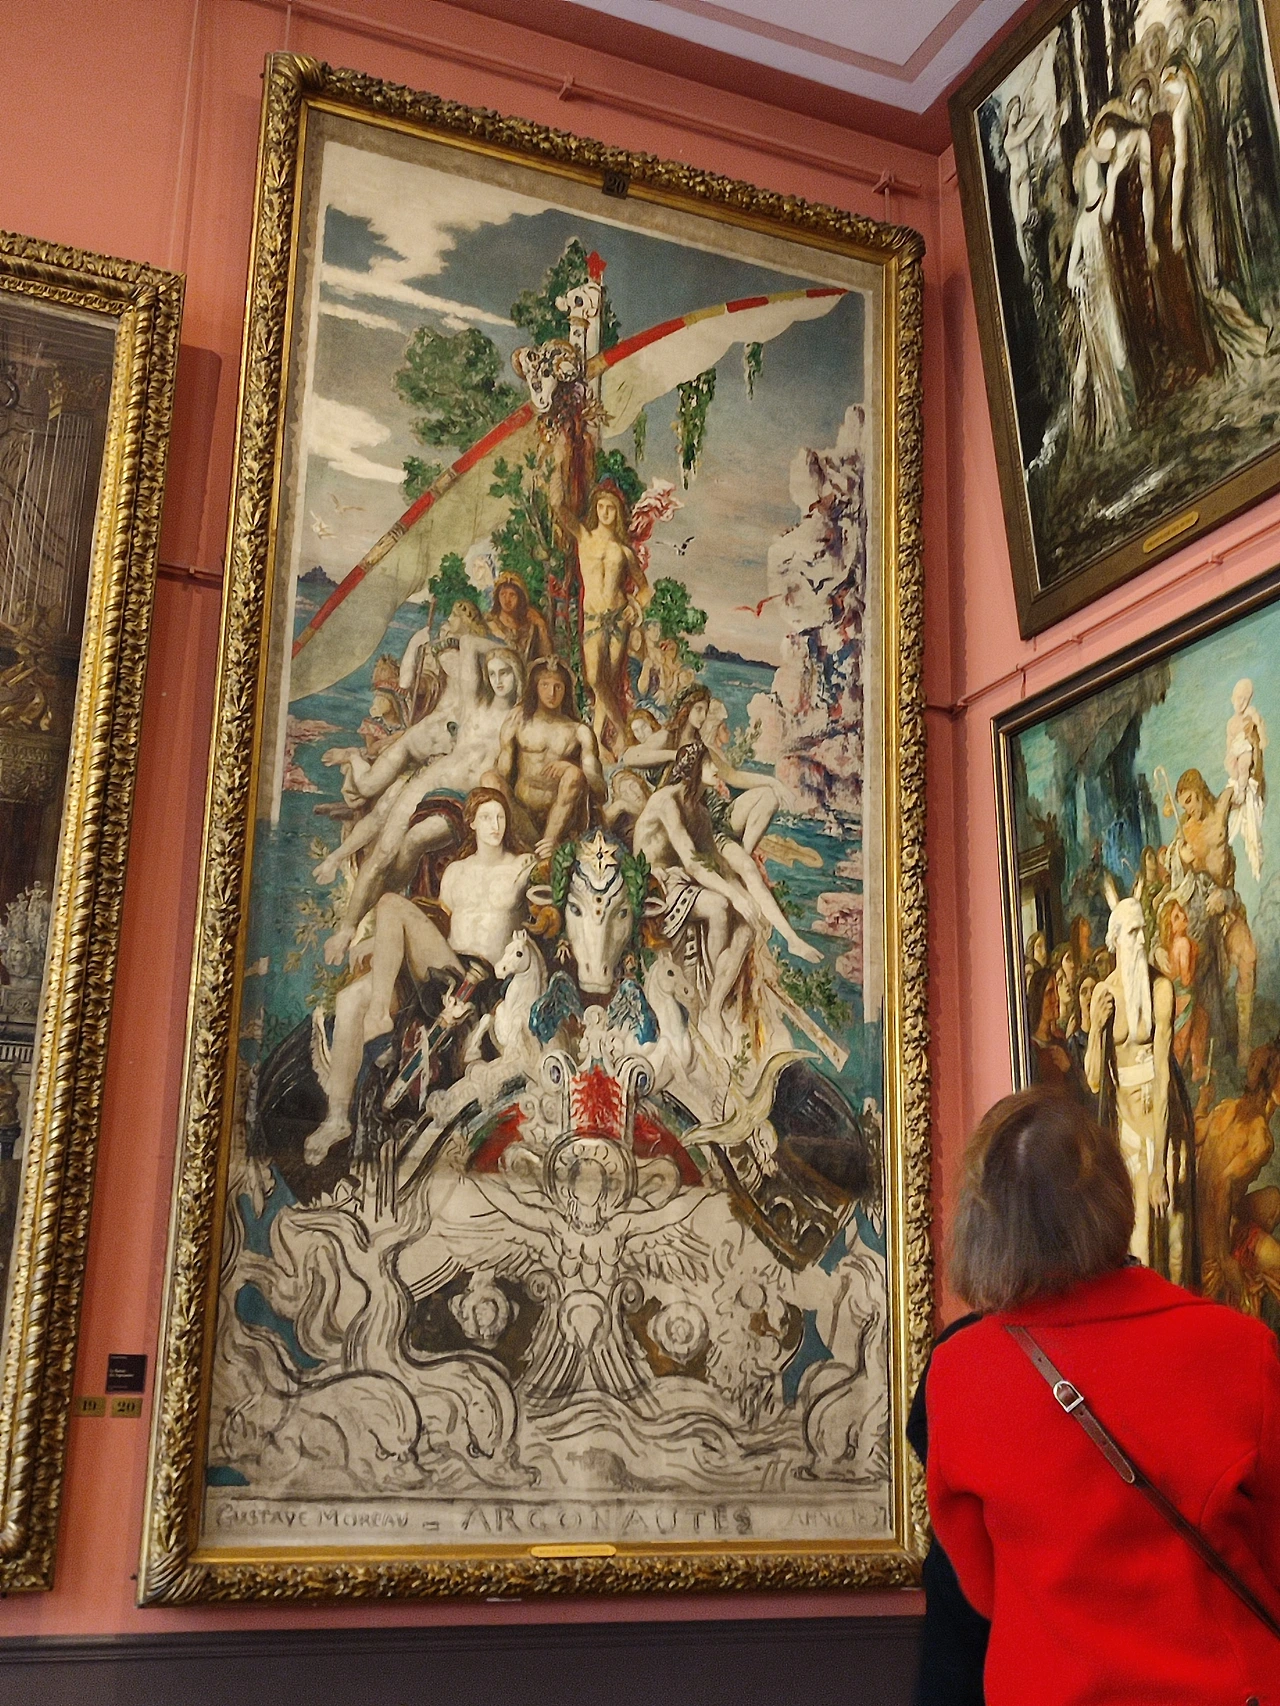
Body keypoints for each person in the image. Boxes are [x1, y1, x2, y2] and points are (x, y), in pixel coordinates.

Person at [928, 1087, 1280, 1705]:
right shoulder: (1239, 1348)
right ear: (1115, 1197)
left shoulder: (960, 1372)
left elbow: (983, 1586)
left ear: (984, 1220)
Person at [304, 788, 537, 1165]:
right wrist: (378, 942)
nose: (495, 825)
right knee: (349, 999)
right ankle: (336, 1119)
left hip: (480, 979)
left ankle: (380, 1015)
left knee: (390, 903)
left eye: (500, 817)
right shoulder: (456, 872)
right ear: (472, 824)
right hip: (443, 964)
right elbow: (440, 923)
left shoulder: (523, 864)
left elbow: (542, 914)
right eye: (486, 817)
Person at [482, 654, 605, 860]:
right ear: (535, 688)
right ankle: (525, 847)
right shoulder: (518, 721)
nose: (551, 693)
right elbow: (503, 773)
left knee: (574, 775)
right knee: (488, 778)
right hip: (520, 816)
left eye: (558, 687)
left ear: (566, 690)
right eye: (545, 685)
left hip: (559, 822)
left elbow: (600, 791)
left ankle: (547, 848)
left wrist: (571, 768)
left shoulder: (579, 731)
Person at [486, 570, 552, 664]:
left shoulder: (529, 626)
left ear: (520, 598)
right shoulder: (490, 625)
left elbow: (547, 657)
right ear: (497, 597)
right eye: (503, 594)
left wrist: (541, 626)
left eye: (512, 595)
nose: (507, 600)